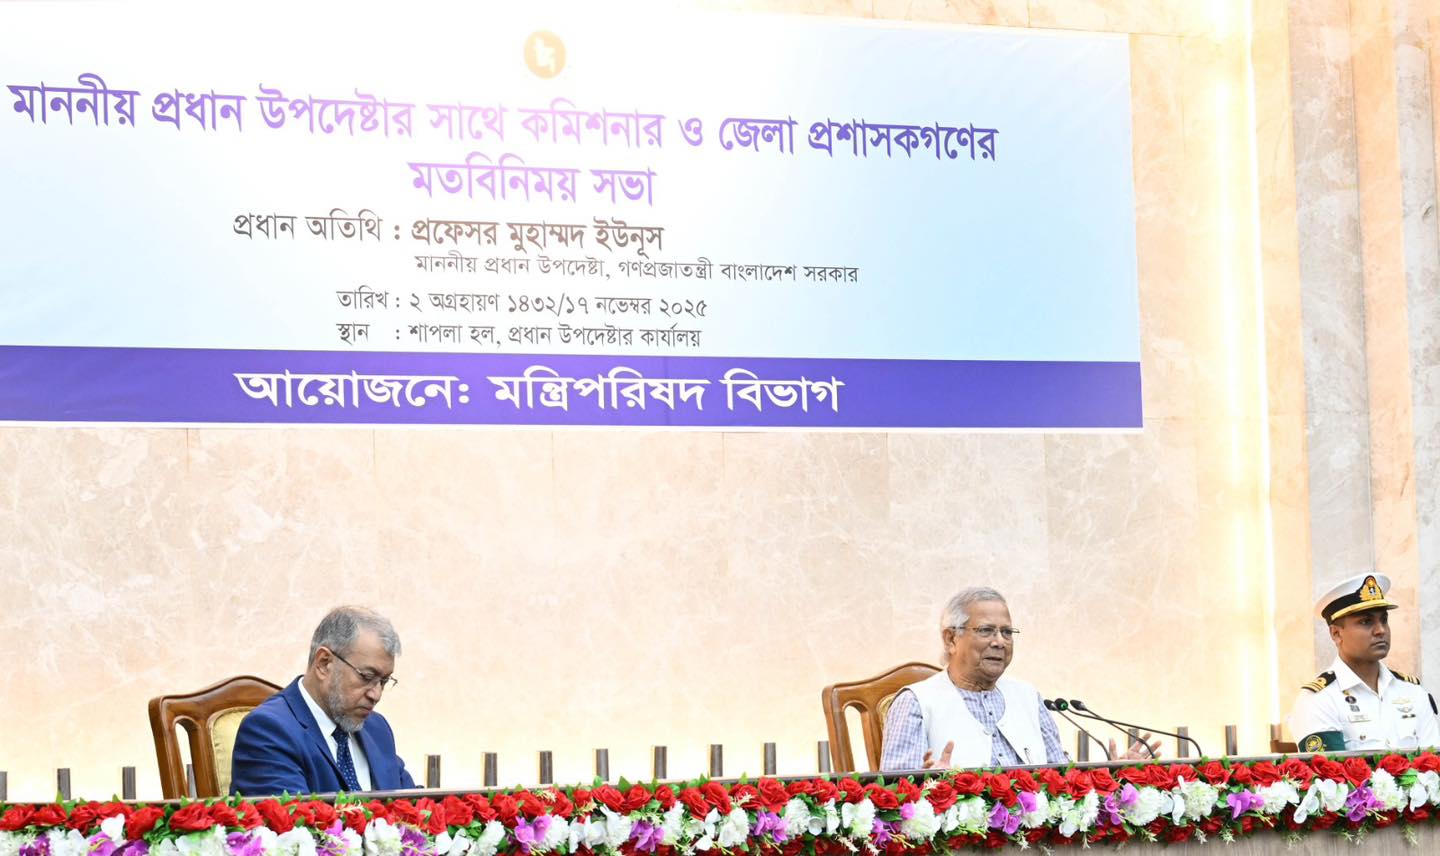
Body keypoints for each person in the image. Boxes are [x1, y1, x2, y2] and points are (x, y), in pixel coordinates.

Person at [880, 586, 1155, 771]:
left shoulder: (1029, 697)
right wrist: (929, 787)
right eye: (986, 630)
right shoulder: (916, 702)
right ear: (951, 638)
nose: (999, 642)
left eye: (1007, 632)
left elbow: (1062, 780)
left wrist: (1111, 776)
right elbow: (894, 800)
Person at [230, 606, 416, 795]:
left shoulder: (377, 728)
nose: (376, 695)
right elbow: (292, 813)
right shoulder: (268, 730)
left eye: (383, 681)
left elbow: (414, 805)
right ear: (324, 663)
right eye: (367, 677)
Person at [1287, 573, 1440, 753]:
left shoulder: (1412, 691)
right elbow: (1331, 770)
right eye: (1366, 622)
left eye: (1384, 620)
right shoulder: (1319, 699)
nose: (1381, 630)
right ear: (1336, 634)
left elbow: (1433, 762)